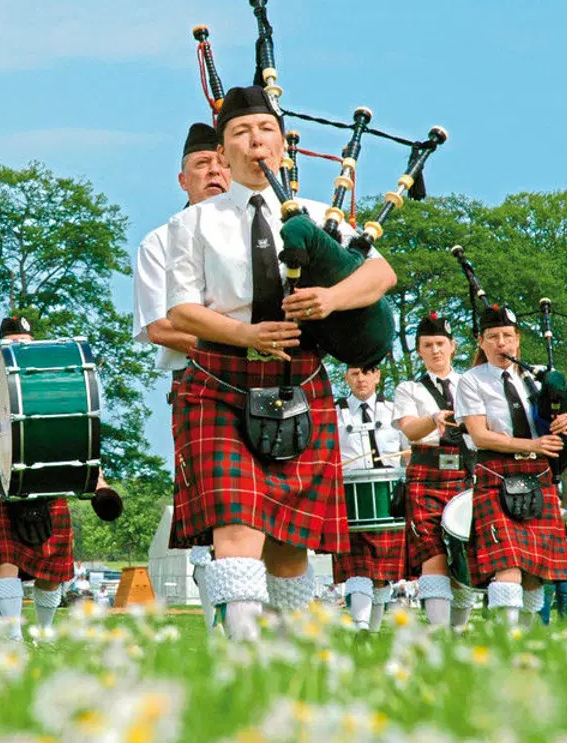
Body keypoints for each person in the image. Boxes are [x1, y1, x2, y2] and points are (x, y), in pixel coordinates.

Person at [165, 85, 396, 640]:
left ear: (281, 145)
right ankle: (243, 648)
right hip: (221, 381)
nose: (255, 141)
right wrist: (246, 333)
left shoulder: (316, 215)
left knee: (291, 545)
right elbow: (181, 310)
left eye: (265, 130)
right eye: (241, 133)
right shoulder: (192, 224)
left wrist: (332, 299)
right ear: (223, 152)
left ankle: (289, 652)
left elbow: (380, 275)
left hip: (300, 382)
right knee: (236, 524)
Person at [133, 122, 229, 633]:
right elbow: (159, 327)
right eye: (202, 165)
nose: (214, 172)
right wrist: (240, 341)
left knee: (275, 522)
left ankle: (279, 634)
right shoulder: (160, 242)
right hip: (203, 385)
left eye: (222, 164)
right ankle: (221, 636)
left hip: (274, 383)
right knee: (211, 522)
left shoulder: (266, 233)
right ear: (182, 179)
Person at [456, 305, 567, 627]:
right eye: (492, 337)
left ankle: (525, 639)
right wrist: (532, 445)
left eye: (507, 336)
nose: (501, 343)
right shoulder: (471, 381)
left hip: (539, 476)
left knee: (535, 571)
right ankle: (507, 639)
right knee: (508, 565)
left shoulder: (541, 377)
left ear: (517, 339)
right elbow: (480, 435)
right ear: (481, 342)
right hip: (497, 475)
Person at [0, 316, 76, 639]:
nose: (20, 351)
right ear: (0, 351)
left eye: (26, 345)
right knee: (4, 561)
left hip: (46, 484)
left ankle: (45, 635)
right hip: (2, 486)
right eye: (13, 345)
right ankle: (13, 639)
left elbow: (75, 436)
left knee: (52, 571)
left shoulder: (51, 392)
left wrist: (96, 482)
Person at [392, 313, 477, 630]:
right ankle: (439, 635)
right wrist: (433, 419)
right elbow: (410, 430)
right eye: (427, 345)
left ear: (453, 346)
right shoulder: (409, 389)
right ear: (419, 350)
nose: (435, 350)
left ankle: (458, 632)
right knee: (433, 555)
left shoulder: (470, 384)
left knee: (465, 556)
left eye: (440, 343)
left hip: (466, 473)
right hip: (426, 475)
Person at [332, 363, 406, 631]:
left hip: (389, 499)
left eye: (366, 372)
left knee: (381, 573)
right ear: (346, 377)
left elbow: (408, 452)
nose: (360, 379)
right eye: (354, 373)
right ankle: (360, 627)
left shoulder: (396, 411)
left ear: (377, 376)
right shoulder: (334, 413)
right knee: (358, 568)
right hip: (350, 498)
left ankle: (370, 632)